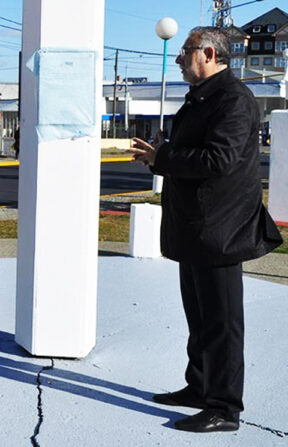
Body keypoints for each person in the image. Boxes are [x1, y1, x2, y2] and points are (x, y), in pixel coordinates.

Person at [129, 27, 283, 433]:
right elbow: (194, 152)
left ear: (209, 53)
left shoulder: (232, 100)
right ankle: (199, 387)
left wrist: (164, 155)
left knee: (222, 323)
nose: (179, 59)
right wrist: (162, 152)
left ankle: (224, 407)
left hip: (221, 229)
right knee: (199, 317)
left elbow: (219, 160)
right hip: (197, 227)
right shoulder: (202, 99)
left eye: (186, 51)